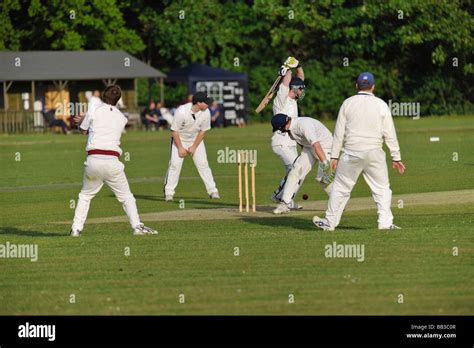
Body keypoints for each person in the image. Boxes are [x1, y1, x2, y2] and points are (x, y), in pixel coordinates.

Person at [313, 72, 406, 231]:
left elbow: (339, 133)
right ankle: (385, 223)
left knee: (340, 188)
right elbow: (389, 133)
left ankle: (329, 223)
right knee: (382, 189)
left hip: (351, 153)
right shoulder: (381, 104)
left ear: (357, 86)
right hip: (374, 154)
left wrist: (334, 156)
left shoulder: (347, 103)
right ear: (373, 86)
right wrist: (396, 157)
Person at [70, 85, 157, 236]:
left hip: (94, 160)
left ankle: (76, 229)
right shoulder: (122, 118)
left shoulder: (94, 109)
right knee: (126, 197)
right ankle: (137, 226)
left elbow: (83, 130)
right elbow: (105, 125)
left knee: (85, 196)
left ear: (104, 96)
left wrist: (82, 121)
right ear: (118, 100)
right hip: (112, 161)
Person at [271, 114, 334, 214]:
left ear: (284, 126)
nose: (281, 131)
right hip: (309, 148)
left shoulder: (303, 125)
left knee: (324, 180)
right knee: (295, 171)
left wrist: (326, 164)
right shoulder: (290, 130)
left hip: (326, 146)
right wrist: (302, 160)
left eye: (280, 129)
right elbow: (303, 143)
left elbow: (317, 145)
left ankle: (337, 202)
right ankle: (285, 204)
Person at [163, 92, 220, 201]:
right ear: (198, 103)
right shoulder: (182, 111)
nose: (209, 105)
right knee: (175, 165)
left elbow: (202, 132)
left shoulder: (206, 112)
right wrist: (180, 147)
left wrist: (194, 146)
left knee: (203, 164)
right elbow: (174, 131)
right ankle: (169, 193)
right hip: (179, 139)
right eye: (206, 102)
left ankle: (213, 191)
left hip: (196, 140)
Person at [271, 56, 306, 210]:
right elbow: (287, 81)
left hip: (290, 143)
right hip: (281, 141)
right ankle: (280, 197)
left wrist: (298, 65)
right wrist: (286, 69)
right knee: (297, 169)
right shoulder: (282, 99)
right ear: (294, 89)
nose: (303, 91)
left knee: (296, 172)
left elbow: (301, 78)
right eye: (301, 89)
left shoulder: (294, 100)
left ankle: (287, 199)